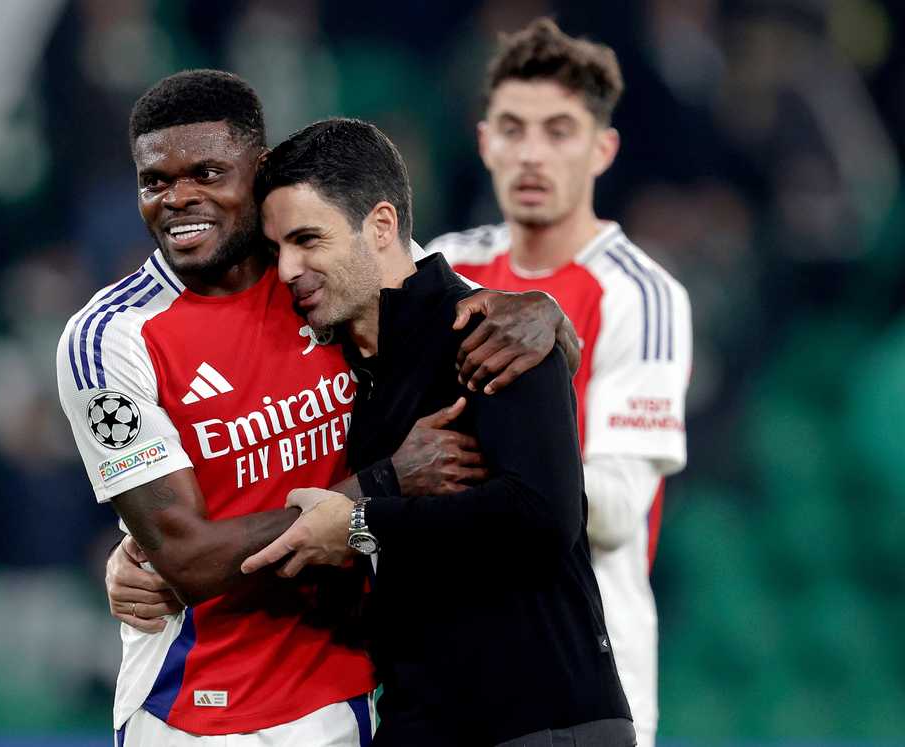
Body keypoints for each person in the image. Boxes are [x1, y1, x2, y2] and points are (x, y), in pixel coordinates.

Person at [57, 69, 577, 746]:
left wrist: (545, 313)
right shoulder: (111, 337)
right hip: (194, 707)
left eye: (207, 173)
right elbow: (186, 558)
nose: (179, 199)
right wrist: (383, 484)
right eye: (154, 182)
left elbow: (463, 314)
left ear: (260, 169)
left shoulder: (325, 277)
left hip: (345, 699)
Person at [243, 118, 635, 746]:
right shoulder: (350, 376)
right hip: (422, 720)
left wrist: (363, 523)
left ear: (381, 225)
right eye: (276, 250)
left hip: (541, 720)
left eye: (307, 239)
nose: (288, 268)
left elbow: (543, 517)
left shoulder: (496, 333)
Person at [425, 20, 693, 747]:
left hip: (584, 676)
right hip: (453, 665)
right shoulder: (444, 267)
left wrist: (473, 473)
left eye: (559, 130)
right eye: (513, 129)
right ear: (486, 142)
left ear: (602, 149)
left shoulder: (643, 294)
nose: (532, 153)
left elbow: (617, 508)